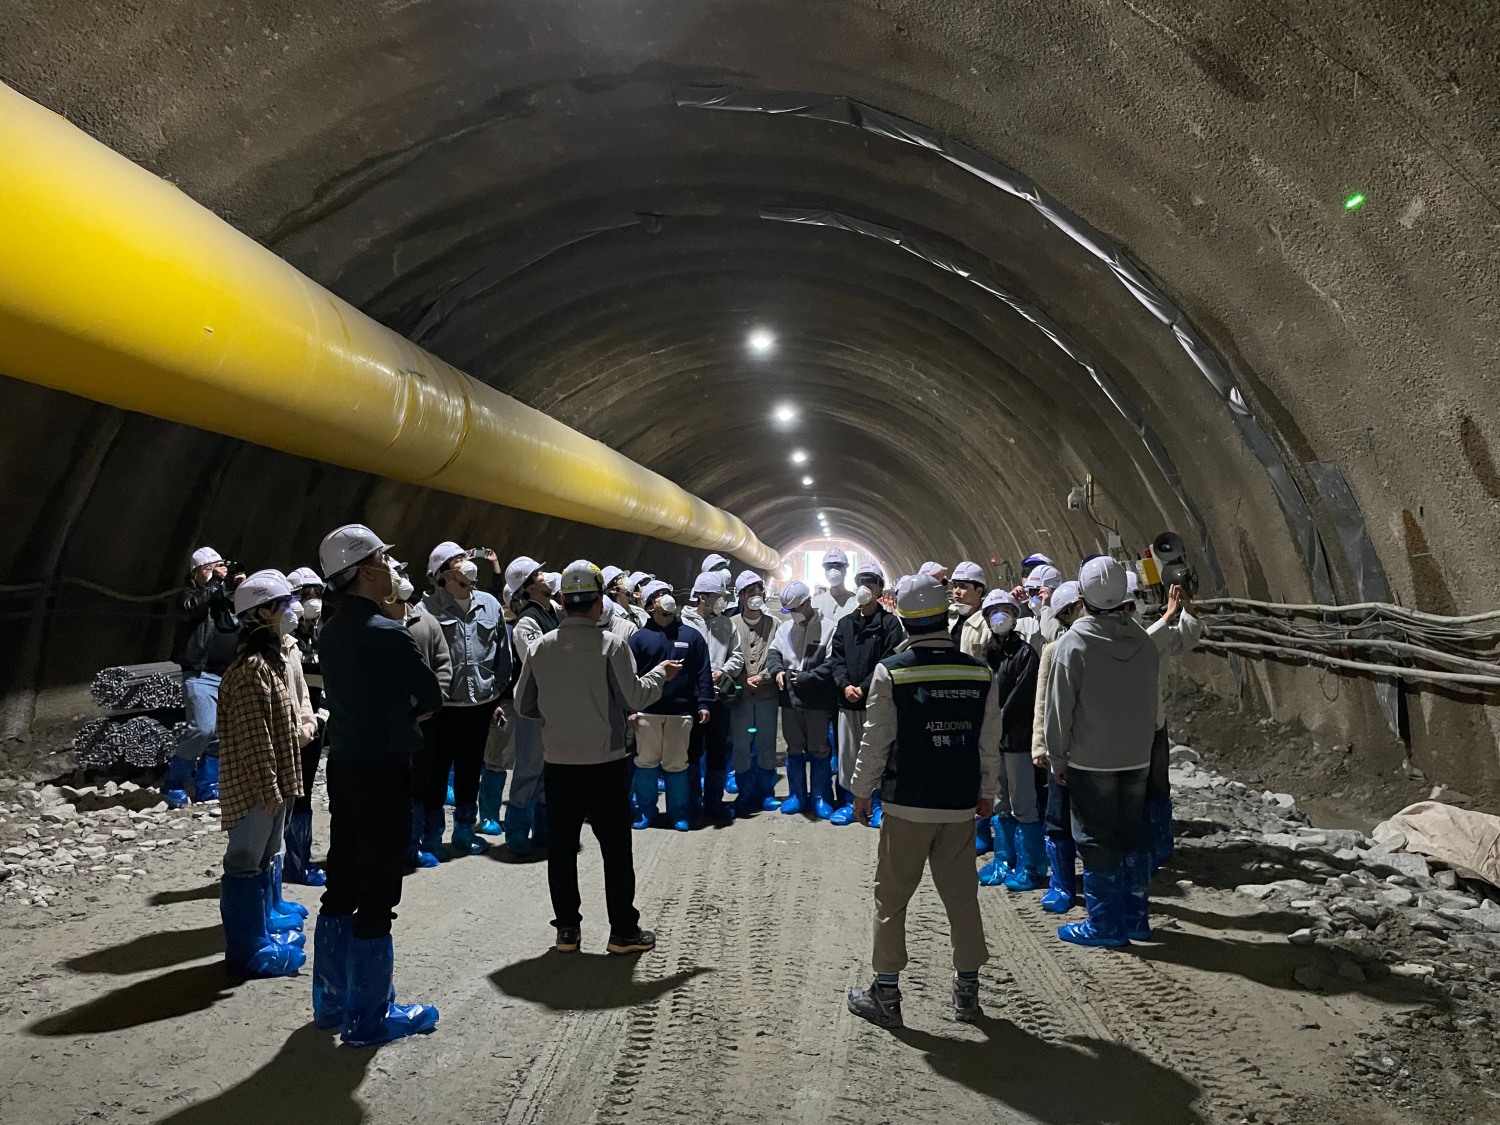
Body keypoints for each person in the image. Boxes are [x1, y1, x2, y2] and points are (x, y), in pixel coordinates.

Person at [846, 574, 1001, 1028]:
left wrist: (861, 790)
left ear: (904, 618)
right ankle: (967, 995)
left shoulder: (892, 671)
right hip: (958, 805)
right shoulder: (978, 672)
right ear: (945, 615)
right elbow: (987, 741)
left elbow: (877, 740)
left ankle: (887, 996)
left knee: (891, 898)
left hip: (906, 804)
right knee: (961, 897)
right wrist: (988, 792)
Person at [312, 524, 442, 1047]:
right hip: (386, 766)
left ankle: (331, 1001)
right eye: (385, 559)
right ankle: (369, 1018)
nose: (391, 567)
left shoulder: (329, 630)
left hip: (344, 764)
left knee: (342, 876)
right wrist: (405, 706)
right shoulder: (389, 632)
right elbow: (430, 696)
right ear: (366, 570)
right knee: (380, 886)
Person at [517, 561, 680, 955]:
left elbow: (524, 703)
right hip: (605, 763)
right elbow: (636, 697)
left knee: (561, 848)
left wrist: (557, 718)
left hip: (558, 764)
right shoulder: (612, 645)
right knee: (615, 850)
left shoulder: (541, 646)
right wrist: (660, 674)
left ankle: (567, 931)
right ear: (599, 602)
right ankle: (623, 931)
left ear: (561, 602)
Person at [1046, 557, 1160, 947]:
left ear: (1082, 596)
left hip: (1091, 761)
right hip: (1137, 760)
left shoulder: (1073, 644)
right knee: (1133, 835)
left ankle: (1104, 925)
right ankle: (1136, 918)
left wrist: (1057, 758)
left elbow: (1059, 710)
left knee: (1096, 839)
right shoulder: (1144, 641)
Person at [216, 569, 308, 979]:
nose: (291, 610)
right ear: (263, 613)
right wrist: (270, 788)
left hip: (272, 782)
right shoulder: (253, 667)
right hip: (256, 786)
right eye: (283, 605)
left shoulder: (270, 660)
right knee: (244, 862)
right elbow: (256, 738)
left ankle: (262, 932)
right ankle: (247, 951)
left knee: (263, 856)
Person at [418, 542, 508, 859]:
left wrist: (495, 693)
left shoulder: (490, 605)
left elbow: (502, 655)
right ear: (442, 575)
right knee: (436, 771)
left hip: (479, 704)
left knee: (471, 769)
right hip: (443, 707)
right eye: (456, 562)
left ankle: (464, 829)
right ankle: (431, 834)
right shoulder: (425, 610)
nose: (466, 564)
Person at [627, 581, 713, 832]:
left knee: (677, 765)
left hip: (680, 712)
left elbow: (703, 673)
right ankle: (646, 812)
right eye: (658, 596)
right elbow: (628, 679)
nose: (666, 598)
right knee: (645, 763)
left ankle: (678, 813)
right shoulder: (639, 639)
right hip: (647, 713)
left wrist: (705, 703)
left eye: (667, 593)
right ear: (649, 606)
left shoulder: (691, 637)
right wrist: (631, 710)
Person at [974, 590, 1044, 891]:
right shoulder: (988, 652)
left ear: (1015, 615)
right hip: (995, 740)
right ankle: (1004, 861)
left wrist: (996, 721)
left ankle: (1032, 867)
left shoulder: (1026, 654)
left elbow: (1022, 697)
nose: (998, 616)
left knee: (1023, 801)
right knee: (1001, 798)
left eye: (1004, 610)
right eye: (992, 611)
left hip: (1018, 739)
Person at [826, 563, 904, 827]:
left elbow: (890, 659)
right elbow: (837, 659)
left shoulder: (890, 625)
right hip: (846, 703)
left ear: (880, 590)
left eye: (870, 585)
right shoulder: (845, 624)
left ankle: (879, 804)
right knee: (848, 755)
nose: (864, 590)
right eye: (861, 585)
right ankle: (849, 803)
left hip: (877, 701)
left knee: (879, 751)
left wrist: (866, 687)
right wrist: (845, 685)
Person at [386, 566, 453, 870]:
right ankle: (392, 846)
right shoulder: (378, 625)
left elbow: (443, 662)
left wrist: (433, 700)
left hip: (427, 720)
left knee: (422, 782)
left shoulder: (426, 623)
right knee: (393, 783)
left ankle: (414, 845)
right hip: (389, 724)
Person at [164, 546, 241, 808]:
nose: (216, 571)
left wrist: (240, 589)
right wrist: (217, 582)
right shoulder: (186, 596)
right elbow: (193, 608)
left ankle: (208, 786)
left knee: (220, 733)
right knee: (202, 728)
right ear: (196, 571)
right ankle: (174, 782)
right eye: (209, 567)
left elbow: (236, 621)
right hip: (199, 672)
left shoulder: (222, 596)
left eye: (219, 566)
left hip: (226, 673)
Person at [1028, 581, 1088, 913]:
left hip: (1089, 750)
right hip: (1064, 749)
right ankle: (1062, 886)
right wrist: (1043, 746)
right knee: (1057, 818)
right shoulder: (1054, 649)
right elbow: (1044, 704)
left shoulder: (1098, 646)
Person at [767, 580, 839, 818]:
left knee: (818, 747)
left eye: (796, 610)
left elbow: (832, 663)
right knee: (794, 747)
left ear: (807, 603)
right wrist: (777, 671)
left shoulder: (829, 628)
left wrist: (809, 677)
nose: (793, 615)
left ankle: (820, 797)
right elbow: (774, 653)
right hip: (790, 698)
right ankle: (797, 795)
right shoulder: (785, 629)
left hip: (817, 699)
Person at [1143, 582, 1202, 873]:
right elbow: (1141, 643)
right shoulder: (1111, 638)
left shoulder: (1154, 633)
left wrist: (1187, 611)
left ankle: (1159, 847)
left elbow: (1183, 640)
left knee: (1156, 785)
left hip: (1154, 723)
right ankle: (1137, 850)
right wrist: (1167, 616)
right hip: (1123, 729)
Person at [504, 555, 557, 857]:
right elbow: (537, 663)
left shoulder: (555, 614)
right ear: (528, 588)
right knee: (528, 768)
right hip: (533, 706)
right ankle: (516, 830)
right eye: (538, 574)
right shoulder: (527, 622)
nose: (545, 576)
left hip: (555, 705)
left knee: (548, 769)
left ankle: (543, 826)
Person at [680, 571, 744, 822]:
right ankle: (693, 801)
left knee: (718, 749)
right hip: (692, 698)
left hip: (719, 698)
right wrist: (700, 678)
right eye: (718, 596)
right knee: (691, 750)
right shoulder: (684, 624)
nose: (722, 600)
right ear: (703, 597)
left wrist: (722, 672)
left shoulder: (726, 624)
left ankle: (714, 801)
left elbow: (736, 655)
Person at [283, 566, 329, 886]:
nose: (311, 599)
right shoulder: (287, 638)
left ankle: (301, 859)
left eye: (316, 592)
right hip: (293, 723)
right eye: (304, 593)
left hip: (318, 720)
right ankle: (292, 862)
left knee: (306, 788)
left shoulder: (325, 629)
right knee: (293, 790)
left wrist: (324, 712)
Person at [729, 570, 781, 815]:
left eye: (759, 590)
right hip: (740, 698)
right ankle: (745, 791)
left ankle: (766, 792)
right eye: (750, 591)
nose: (756, 595)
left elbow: (780, 656)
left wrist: (765, 677)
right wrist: (741, 680)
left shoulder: (774, 625)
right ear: (741, 596)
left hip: (766, 696)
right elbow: (726, 657)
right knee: (740, 745)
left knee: (766, 743)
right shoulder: (731, 625)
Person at [1014, 564, 1064, 653]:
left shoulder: (1065, 621)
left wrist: (1046, 608)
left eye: (1039, 592)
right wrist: (1009, 607)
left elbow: (1055, 641)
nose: (1034, 597)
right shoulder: (1027, 623)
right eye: (1031, 592)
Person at [811, 548, 858, 624]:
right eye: (828, 567)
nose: (833, 571)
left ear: (845, 570)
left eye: (837, 566)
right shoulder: (815, 603)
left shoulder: (856, 602)